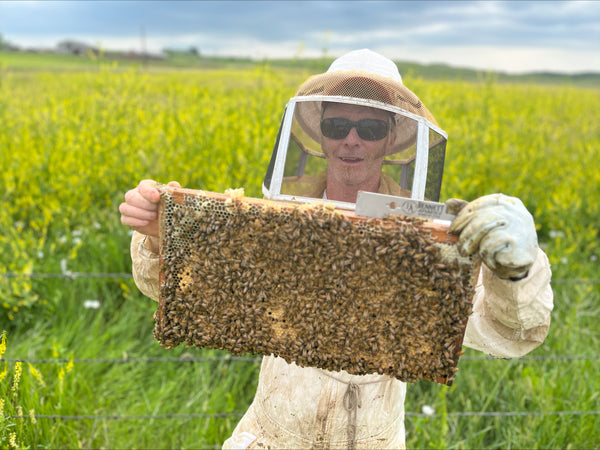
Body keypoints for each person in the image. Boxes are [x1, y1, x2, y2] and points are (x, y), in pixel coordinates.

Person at [119, 49, 553, 449]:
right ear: (320, 137)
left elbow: (508, 334)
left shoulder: (420, 243)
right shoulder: (273, 222)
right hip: (272, 435)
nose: (351, 140)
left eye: (370, 127)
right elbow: (186, 290)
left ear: (390, 139)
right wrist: (161, 233)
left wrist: (515, 272)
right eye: (335, 126)